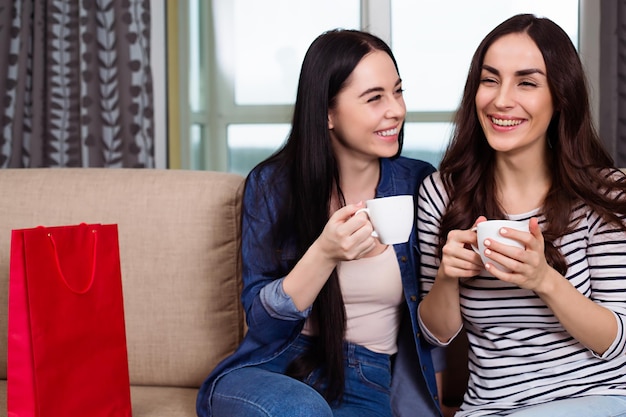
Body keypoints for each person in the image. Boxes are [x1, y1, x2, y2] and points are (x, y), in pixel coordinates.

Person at [196, 29, 444, 417]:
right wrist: (325, 253)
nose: (396, 109)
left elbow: (431, 327)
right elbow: (261, 324)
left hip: (368, 375)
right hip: (273, 365)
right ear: (327, 112)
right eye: (374, 97)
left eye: (398, 91)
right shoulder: (272, 185)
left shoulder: (418, 185)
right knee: (300, 409)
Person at [416, 13, 626, 417]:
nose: (500, 100)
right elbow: (436, 335)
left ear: (561, 97)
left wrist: (543, 279)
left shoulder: (606, 194)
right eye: (490, 80)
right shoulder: (442, 193)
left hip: (598, 400)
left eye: (526, 82)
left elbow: (616, 344)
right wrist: (447, 276)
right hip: (488, 408)